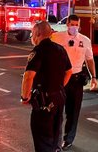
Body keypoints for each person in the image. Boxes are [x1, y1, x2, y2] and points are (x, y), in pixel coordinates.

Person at [21, 21, 72, 152]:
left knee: (43, 138)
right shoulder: (60, 49)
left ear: (37, 34)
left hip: (44, 101)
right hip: (59, 99)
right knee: (55, 136)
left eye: (32, 33)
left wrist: (25, 97)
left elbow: (28, 76)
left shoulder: (38, 51)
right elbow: (69, 71)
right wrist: (59, 86)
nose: (32, 37)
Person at [51, 14, 97, 151]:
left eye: (77, 25)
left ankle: (68, 139)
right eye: (72, 24)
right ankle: (55, 140)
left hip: (76, 80)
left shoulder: (85, 40)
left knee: (73, 112)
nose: (74, 27)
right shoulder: (57, 37)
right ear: (67, 24)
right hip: (61, 79)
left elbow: (89, 60)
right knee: (57, 111)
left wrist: (94, 77)